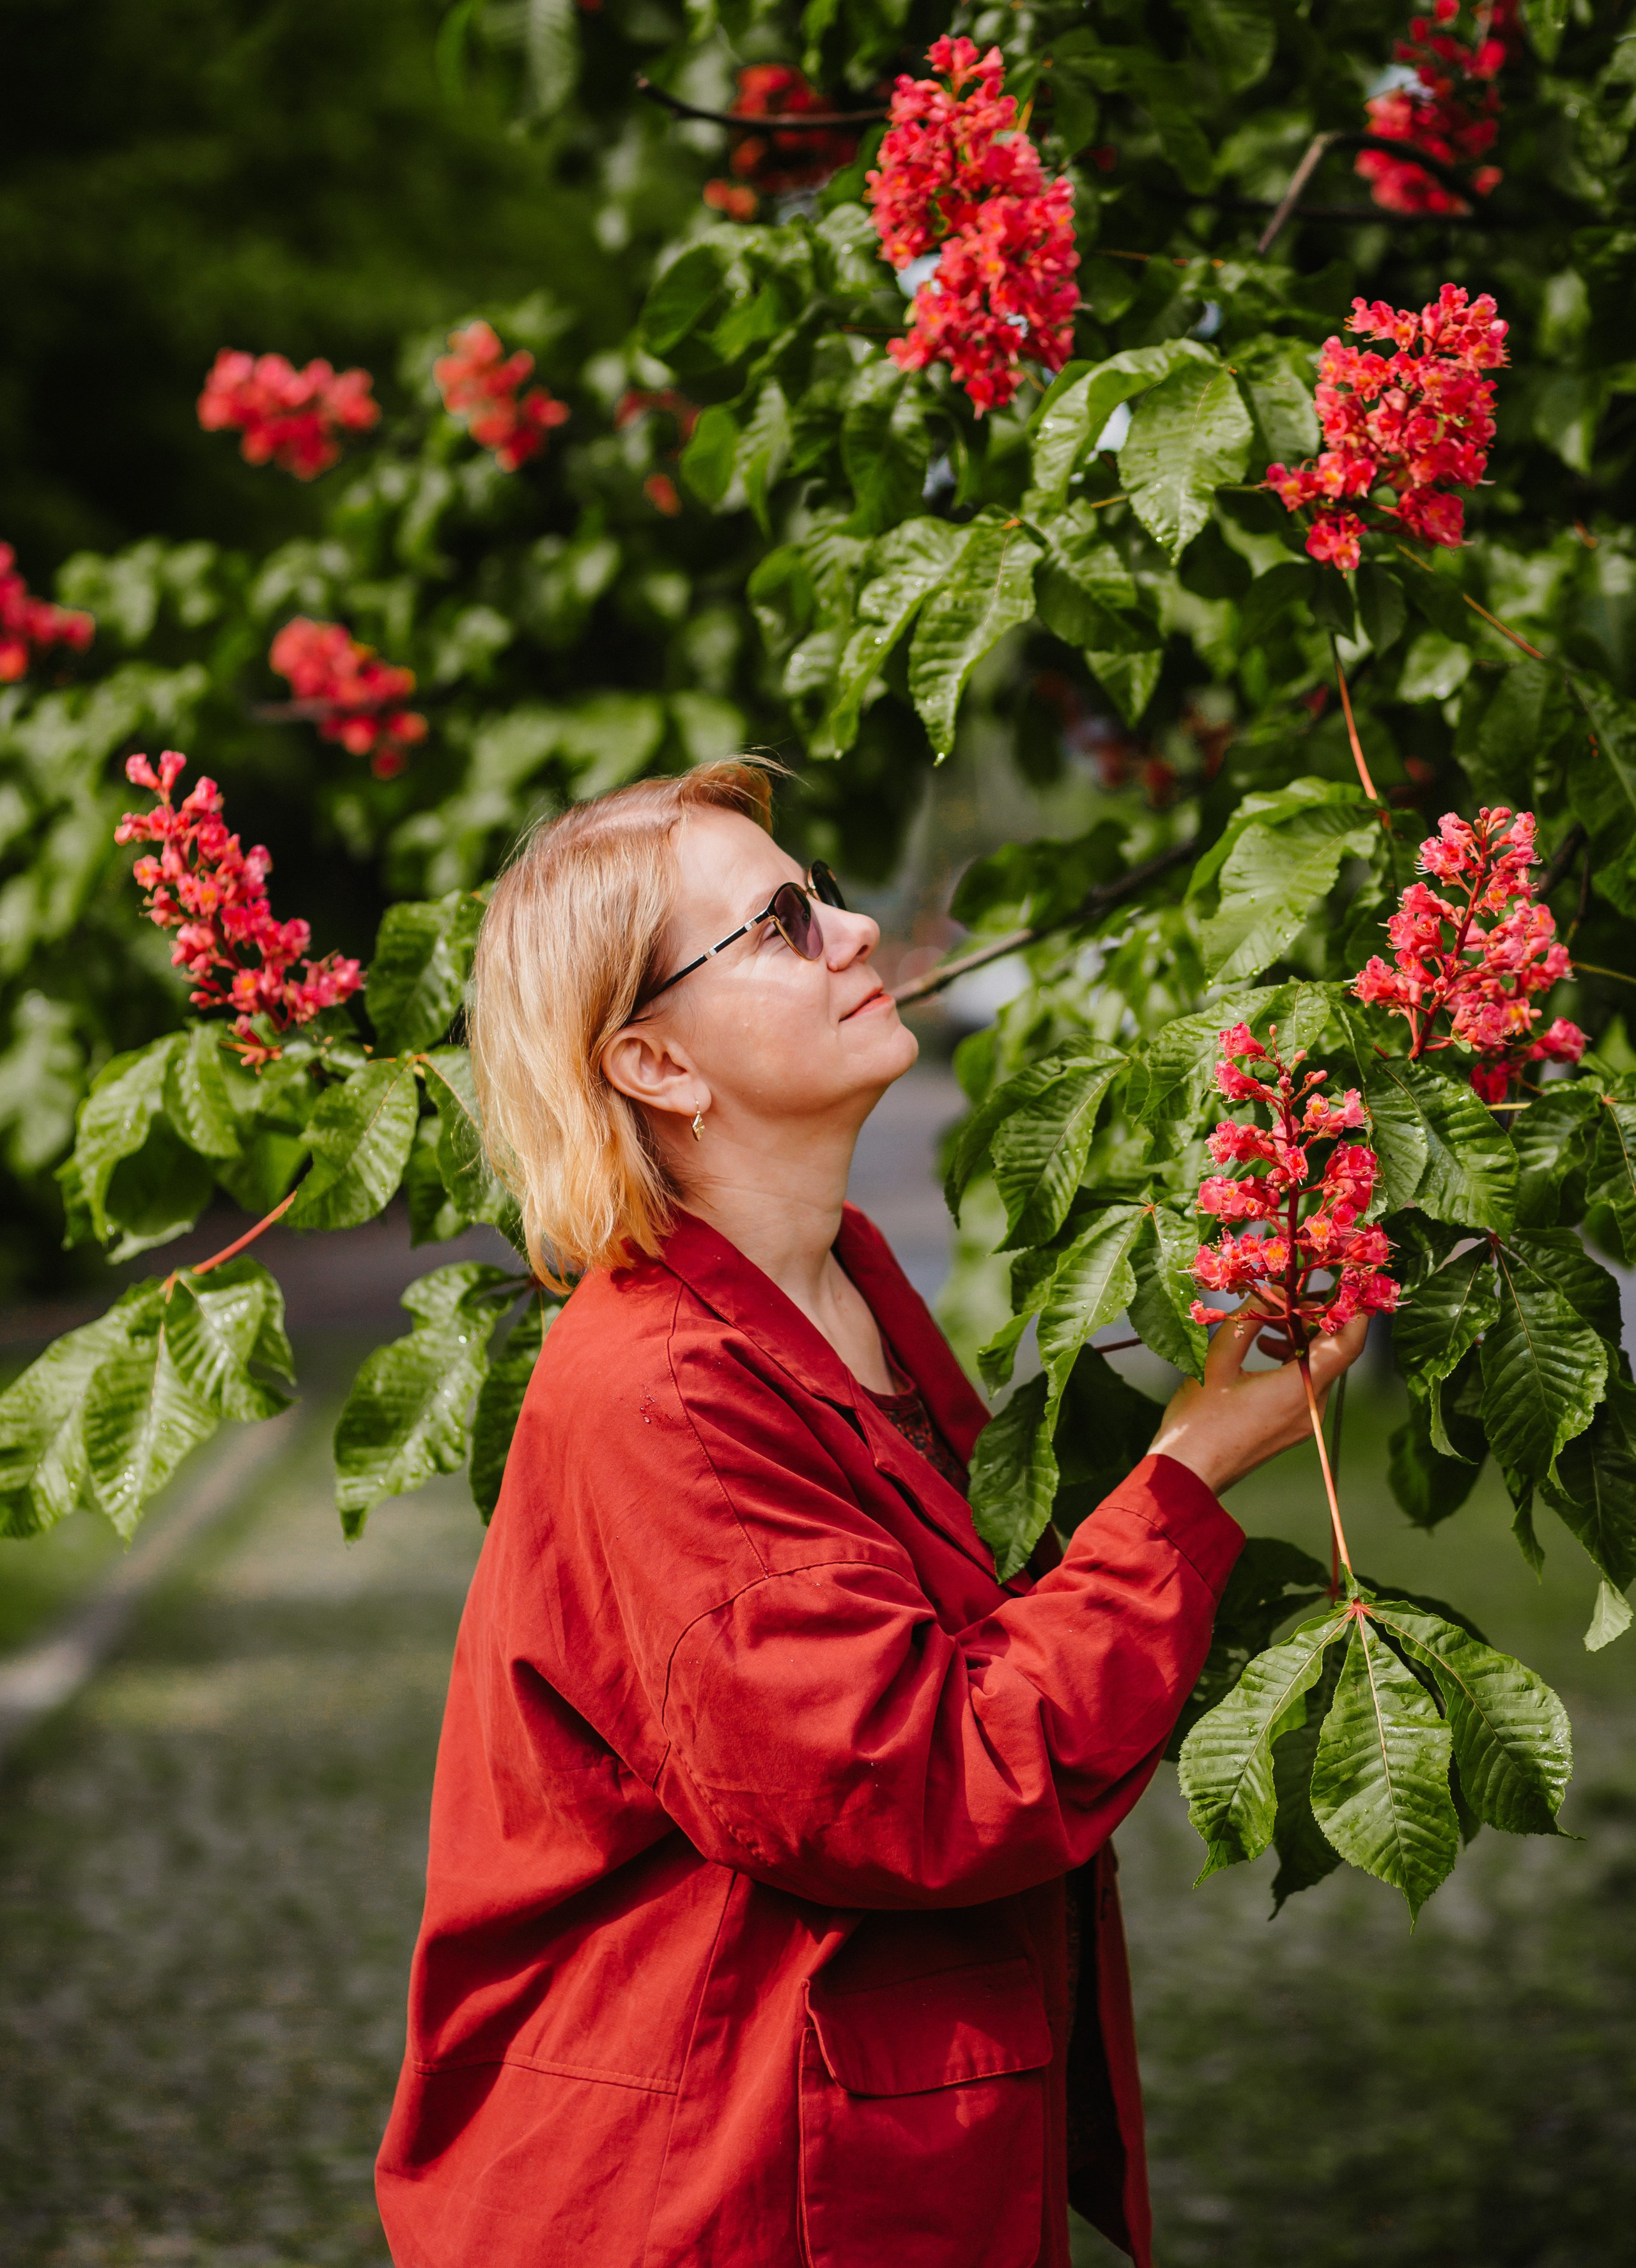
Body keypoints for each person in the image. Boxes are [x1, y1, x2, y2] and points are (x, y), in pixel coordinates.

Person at [374, 759, 1365, 2268]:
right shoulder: (662, 1391)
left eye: (820, 895)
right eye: (778, 924)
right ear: (656, 1064)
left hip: (847, 2149)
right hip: (707, 2193)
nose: (848, 933)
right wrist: (1183, 1475)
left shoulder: (838, 1285)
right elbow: (916, 1780)